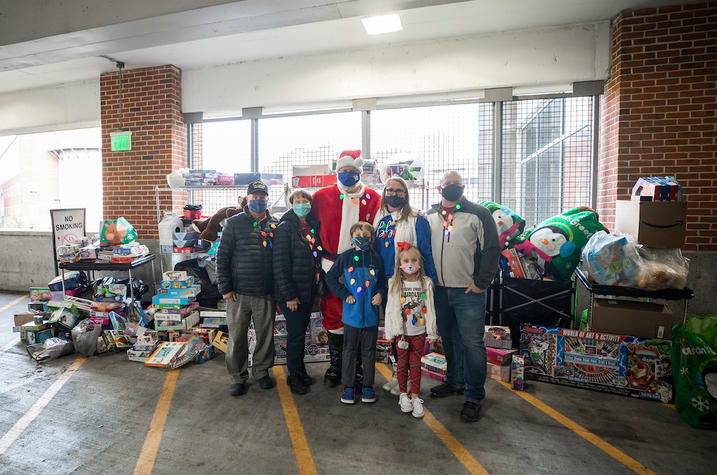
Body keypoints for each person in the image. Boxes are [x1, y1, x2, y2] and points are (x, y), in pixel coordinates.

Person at [425, 171, 501, 422]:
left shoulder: (478, 214)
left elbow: (492, 249)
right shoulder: (429, 216)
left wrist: (481, 283)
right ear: (439, 188)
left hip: (468, 291)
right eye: (447, 184)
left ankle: (474, 396)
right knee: (449, 340)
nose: (451, 188)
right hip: (438, 290)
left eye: (456, 184)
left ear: (464, 187)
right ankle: (454, 382)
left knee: (472, 343)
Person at [311, 150, 382, 387]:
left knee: (360, 313)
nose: (348, 175)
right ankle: (336, 365)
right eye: (344, 172)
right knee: (332, 314)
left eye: (353, 172)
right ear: (337, 172)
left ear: (359, 173)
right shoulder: (321, 197)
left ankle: (357, 367)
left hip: (362, 267)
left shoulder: (373, 198)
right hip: (331, 264)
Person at [373, 176, 437, 395]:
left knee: (411, 332)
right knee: (393, 330)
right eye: (390, 190)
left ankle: (410, 377)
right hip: (388, 285)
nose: (394, 194)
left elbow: (425, 253)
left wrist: (430, 283)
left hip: (411, 285)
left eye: (399, 191)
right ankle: (397, 374)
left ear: (406, 194)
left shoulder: (417, 219)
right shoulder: (380, 219)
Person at [217, 180, 279, 396]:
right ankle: (238, 376)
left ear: (267, 199)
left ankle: (261, 372)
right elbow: (222, 258)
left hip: (265, 292)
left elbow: (279, 260)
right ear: (247, 198)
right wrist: (225, 288)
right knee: (237, 336)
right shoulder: (233, 223)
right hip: (237, 294)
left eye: (263, 197)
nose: (259, 201)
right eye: (255, 197)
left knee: (265, 336)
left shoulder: (275, 224)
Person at [325, 221, 386, 405]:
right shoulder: (345, 257)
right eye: (358, 236)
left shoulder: (377, 258)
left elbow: (383, 282)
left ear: (372, 239)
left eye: (366, 236)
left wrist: (380, 294)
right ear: (351, 238)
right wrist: (344, 294)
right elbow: (330, 277)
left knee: (368, 351)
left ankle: (368, 385)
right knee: (349, 350)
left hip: (371, 315)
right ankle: (349, 386)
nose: (362, 239)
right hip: (351, 315)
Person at [273, 189, 323, 395]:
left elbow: (315, 253)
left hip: (307, 288)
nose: (302, 203)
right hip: (293, 293)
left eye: (305, 200)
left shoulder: (310, 226)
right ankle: (293, 376)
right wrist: (289, 296)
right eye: (298, 200)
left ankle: (300, 371)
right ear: (291, 203)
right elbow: (280, 264)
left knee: (301, 333)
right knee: (294, 336)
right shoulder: (286, 227)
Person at [384, 242, 437, 419]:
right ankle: (402, 396)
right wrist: (390, 332)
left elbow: (430, 308)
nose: (410, 263)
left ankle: (415, 397)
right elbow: (390, 309)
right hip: (402, 335)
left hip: (419, 333)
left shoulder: (426, 283)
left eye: (413, 260)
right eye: (406, 260)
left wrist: (431, 333)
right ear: (400, 264)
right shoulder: (394, 284)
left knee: (416, 366)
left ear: (419, 263)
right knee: (401, 366)